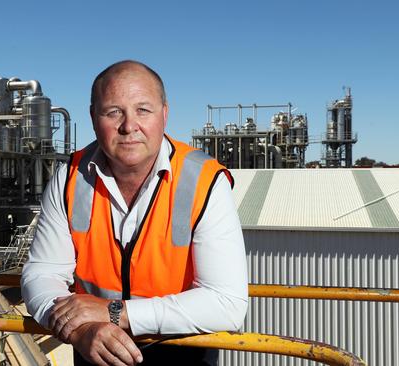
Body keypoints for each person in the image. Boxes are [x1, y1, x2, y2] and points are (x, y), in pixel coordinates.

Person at [21, 60, 248, 365]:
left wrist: (115, 313)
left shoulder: (204, 181)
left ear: (164, 114)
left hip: (182, 354)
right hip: (94, 352)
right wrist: (80, 329)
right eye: (113, 112)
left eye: (143, 110)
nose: (129, 126)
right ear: (92, 117)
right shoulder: (69, 178)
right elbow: (42, 273)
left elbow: (227, 303)